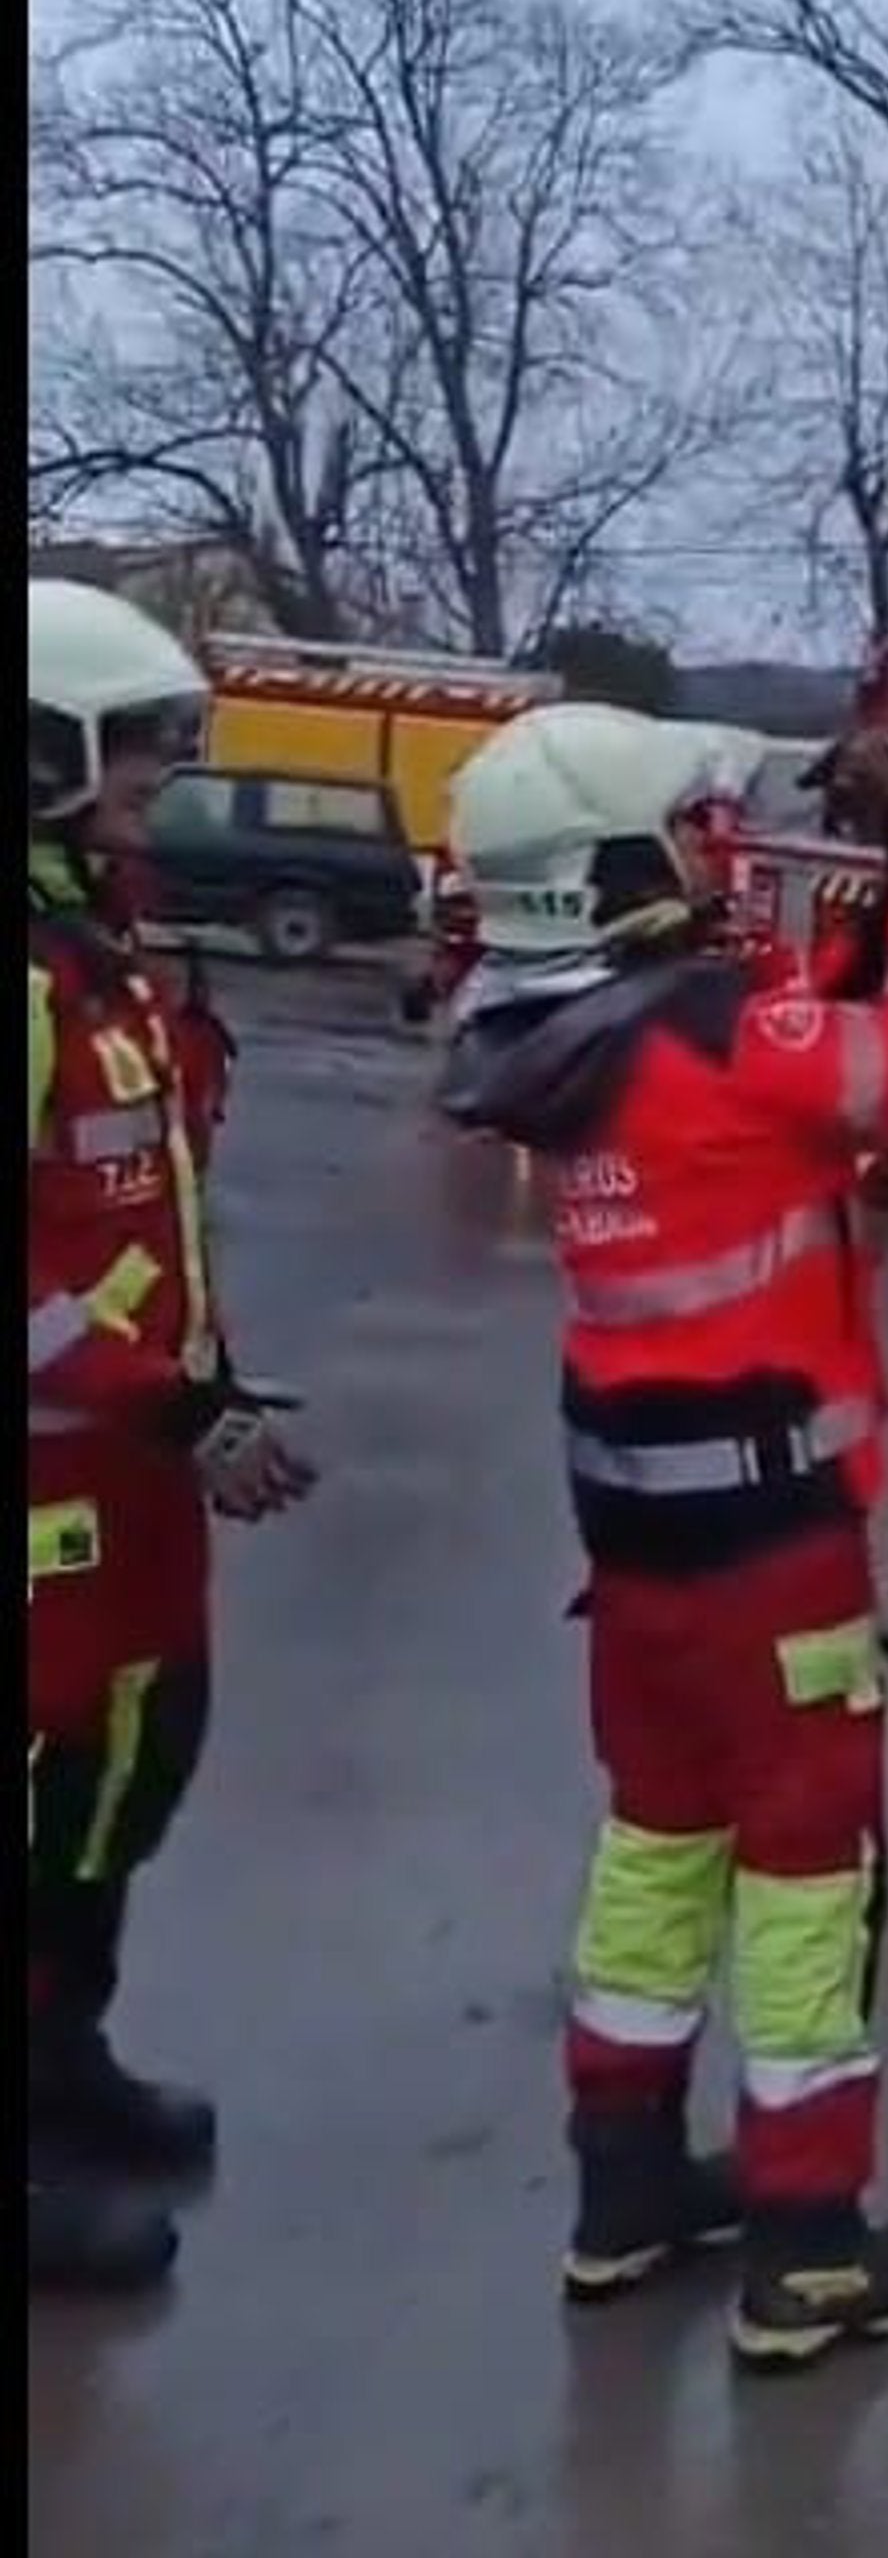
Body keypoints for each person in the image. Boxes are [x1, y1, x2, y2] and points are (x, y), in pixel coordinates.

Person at [439, 699, 888, 2371]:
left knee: (654, 1853)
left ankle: (623, 2194)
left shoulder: (546, 1040)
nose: (717, 847)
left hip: (635, 1556)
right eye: (688, 828)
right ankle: (810, 2244)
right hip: (772, 1552)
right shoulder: (720, 1035)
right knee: (813, 1874)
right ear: (614, 867)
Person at [29, 581, 317, 2294]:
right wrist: (171, 1394)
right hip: (62, 1461)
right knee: (40, 1787)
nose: (160, 772)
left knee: (122, 1772)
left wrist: (198, 1386)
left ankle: (65, 2069)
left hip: (122, 1470)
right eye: (134, 744)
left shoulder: (100, 943)